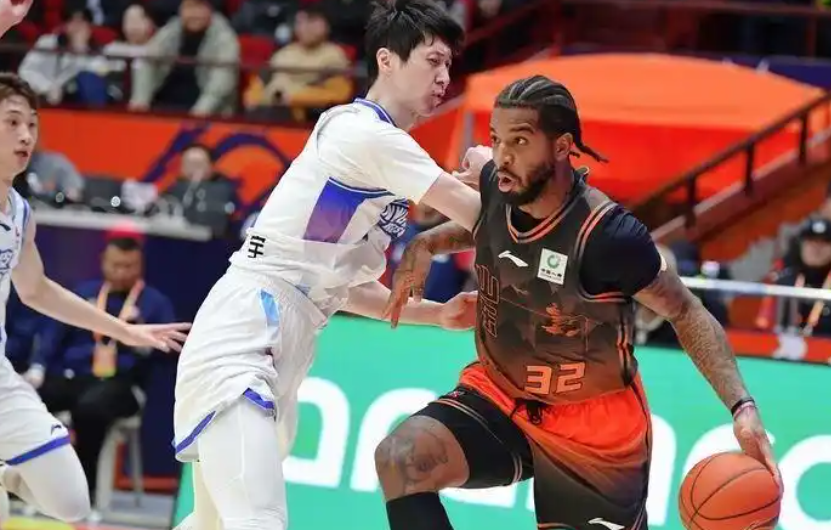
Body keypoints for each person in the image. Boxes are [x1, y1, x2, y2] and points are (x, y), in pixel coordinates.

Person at [377, 75, 781, 530]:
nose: (503, 154)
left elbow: (685, 310)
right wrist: (426, 244)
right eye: (496, 139)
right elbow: (484, 221)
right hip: (502, 393)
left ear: (563, 147)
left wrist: (742, 407)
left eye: (520, 141)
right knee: (402, 457)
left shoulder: (608, 235)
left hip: (594, 430)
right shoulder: (500, 183)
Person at [171, 1, 482, 529]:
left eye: (449, 65)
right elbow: (480, 215)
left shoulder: (382, 154)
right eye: (433, 61)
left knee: (213, 524)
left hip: (290, 332)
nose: (444, 77)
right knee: (259, 520)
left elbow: (344, 288)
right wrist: (493, 172)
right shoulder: (367, 134)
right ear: (386, 60)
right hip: (247, 329)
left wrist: (436, 314)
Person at [0, 73, 189, 523]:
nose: (26, 135)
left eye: (32, 124)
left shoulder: (20, 212)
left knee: (71, 502)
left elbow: (36, 290)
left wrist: (124, 330)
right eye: (12, 122)